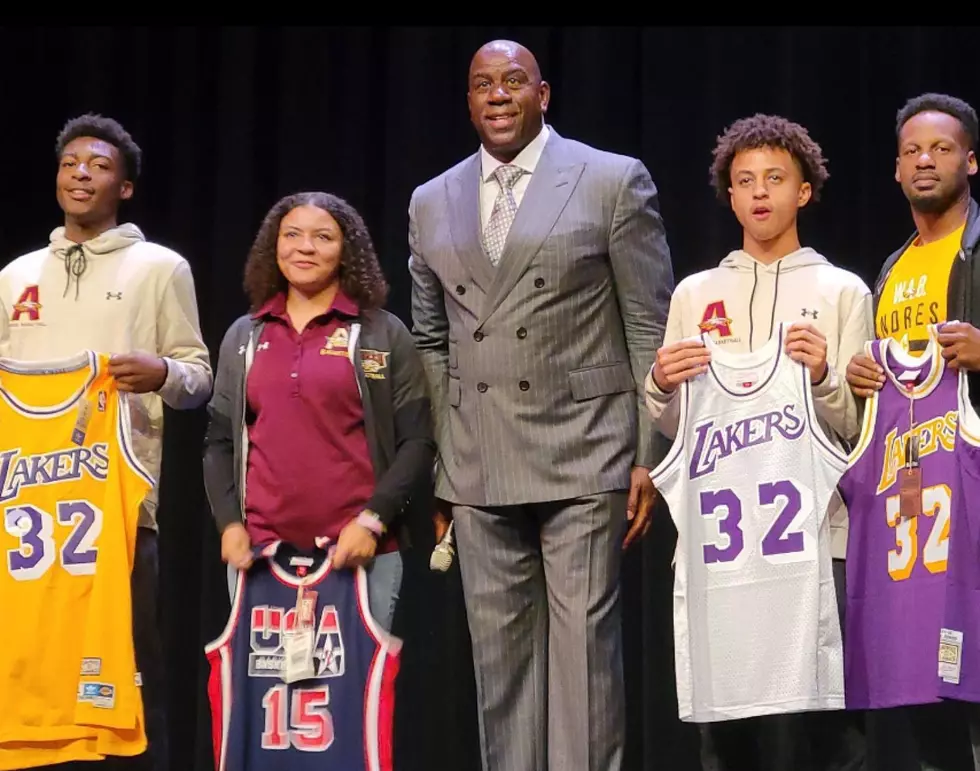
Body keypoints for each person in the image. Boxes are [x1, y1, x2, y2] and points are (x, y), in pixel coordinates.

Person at [407, 38, 674, 771]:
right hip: (478, 460)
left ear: (543, 93)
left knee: (585, 657)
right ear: (467, 100)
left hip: (586, 448)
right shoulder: (432, 199)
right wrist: (441, 455)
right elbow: (431, 338)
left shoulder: (611, 180)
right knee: (500, 669)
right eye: (482, 84)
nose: (497, 94)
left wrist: (649, 454)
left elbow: (649, 325)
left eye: (513, 80)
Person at [645, 114, 871, 771]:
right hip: (720, 554)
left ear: (804, 190)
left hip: (816, 543)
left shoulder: (840, 290)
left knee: (820, 729)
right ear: (730, 195)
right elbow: (673, 427)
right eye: (744, 181)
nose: (760, 193)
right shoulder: (696, 293)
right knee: (728, 731)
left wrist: (827, 374)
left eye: (775, 178)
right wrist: (660, 381)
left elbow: (857, 428)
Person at [0, 113, 213, 769]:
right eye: (69, 164)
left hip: (119, 507)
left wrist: (163, 371)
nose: (80, 174)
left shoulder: (159, 268)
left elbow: (199, 378)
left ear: (124, 186)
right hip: (24, 512)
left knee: (123, 671)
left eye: (96, 165)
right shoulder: (14, 276)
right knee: (27, 671)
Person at [202, 191, 435, 636]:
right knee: (266, 704)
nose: (305, 247)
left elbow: (417, 442)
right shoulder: (243, 336)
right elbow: (218, 442)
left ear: (346, 249)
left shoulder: (382, 334)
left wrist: (373, 521)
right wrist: (229, 525)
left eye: (322, 236)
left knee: (353, 704)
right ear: (275, 245)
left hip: (360, 550)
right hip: (261, 556)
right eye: (292, 235)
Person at [845, 92, 980, 771]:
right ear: (897, 170)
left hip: (976, 503)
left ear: (972, 160)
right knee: (931, 722)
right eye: (912, 151)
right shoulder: (891, 272)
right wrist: (859, 381)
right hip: (920, 529)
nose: (926, 160)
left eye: (943, 147)